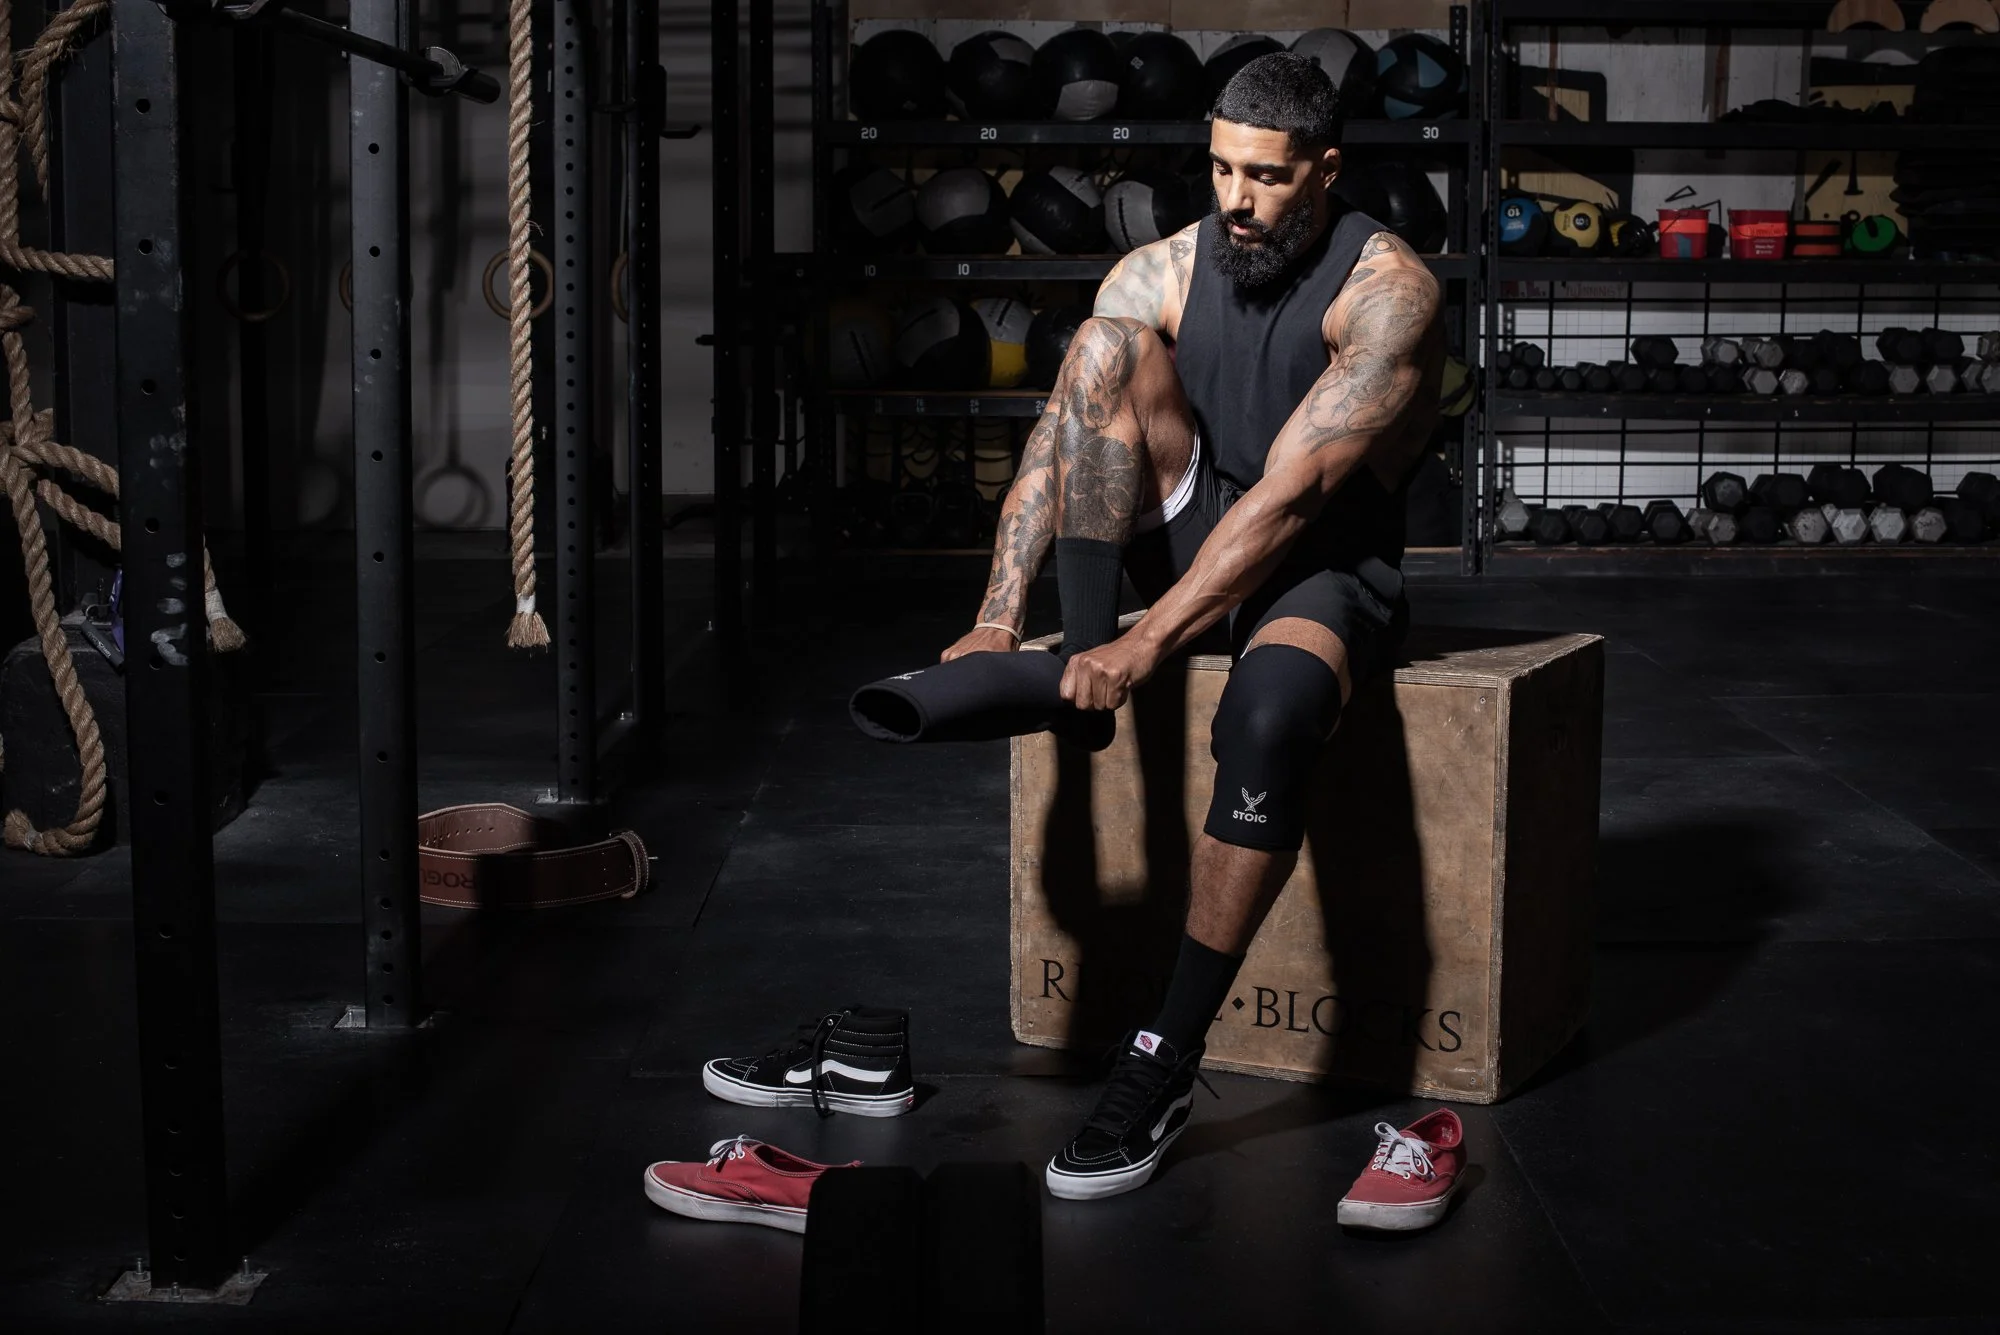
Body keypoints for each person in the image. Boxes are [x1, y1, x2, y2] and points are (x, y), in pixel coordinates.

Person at [943, 52, 1444, 1200]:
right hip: (1187, 517)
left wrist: (1152, 639)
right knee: (1097, 350)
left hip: (1315, 561)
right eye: (1218, 167)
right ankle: (1074, 663)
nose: (1234, 198)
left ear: (1323, 168)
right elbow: (1064, 437)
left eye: (1264, 178)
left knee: (1268, 721)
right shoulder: (1166, 265)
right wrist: (993, 617)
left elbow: (1292, 496)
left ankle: (1164, 1058)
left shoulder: (1386, 289)